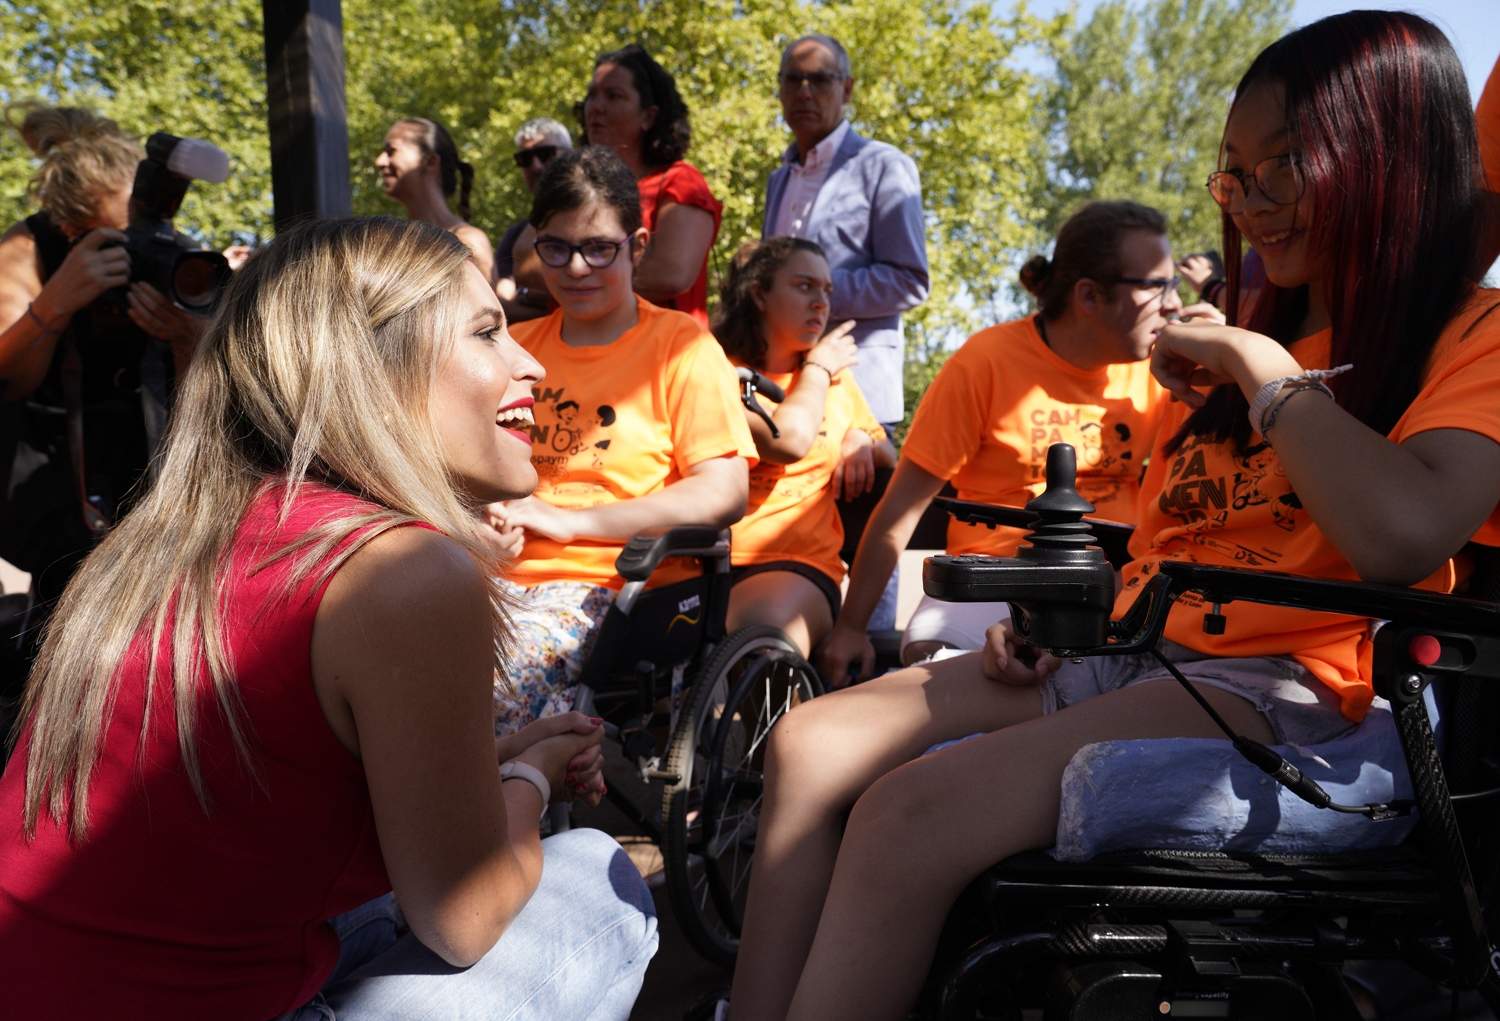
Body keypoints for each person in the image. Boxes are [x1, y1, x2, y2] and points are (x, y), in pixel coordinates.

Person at [727, 12, 1500, 1020]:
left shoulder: (1465, 335)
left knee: (909, 811)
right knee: (806, 744)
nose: (1250, 201)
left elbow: (1403, 537)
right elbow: (1167, 543)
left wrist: (1265, 373)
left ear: (1387, 159)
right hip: (1143, 652)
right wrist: (1062, 630)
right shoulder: (1250, 343)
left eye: (1282, 168)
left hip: (1302, 692)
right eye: (1234, 174)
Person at [0, 216, 658, 1019]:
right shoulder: (403, 569)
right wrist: (527, 777)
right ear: (372, 370)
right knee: (597, 870)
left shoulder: (167, 535)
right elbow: (465, 917)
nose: (530, 361)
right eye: (487, 332)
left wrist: (486, 767)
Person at [818, 201, 1197, 681]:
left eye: (1175, 286)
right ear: (1089, 296)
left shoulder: (1166, 371)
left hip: (1117, 586)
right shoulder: (987, 362)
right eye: (1156, 286)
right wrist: (851, 627)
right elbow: (901, 512)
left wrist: (1222, 369)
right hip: (995, 578)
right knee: (957, 682)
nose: (1174, 304)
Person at [486, 146, 754, 734]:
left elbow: (724, 492)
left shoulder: (679, 347)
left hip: (622, 590)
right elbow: (457, 465)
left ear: (636, 245)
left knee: (480, 681)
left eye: (598, 248)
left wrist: (565, 520)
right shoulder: (511, 345)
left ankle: (503, 807)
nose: (576, 267)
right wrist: (481, 517)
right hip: (488, 578)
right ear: (535, 243)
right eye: (556, 247)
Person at [0, 105, 207, 674]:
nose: (138, 245)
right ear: (71, 230)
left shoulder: (170, 247)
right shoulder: (30, 247)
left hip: (152, 462)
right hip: (57, 476)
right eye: (120, 239)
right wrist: (55, 303)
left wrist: (187, 334)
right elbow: (9, 375)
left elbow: (212, 389)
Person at [712, 237, 895, 657]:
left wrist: (861, 438)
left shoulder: (835, 381)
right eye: (804, 286)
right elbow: (785, 439)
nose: (821, 303)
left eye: (827, 291)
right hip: (702, 559)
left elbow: (890, 456)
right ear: (759, 294)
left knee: (760, 646)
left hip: (799, 563)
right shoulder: (716, 368)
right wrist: (817, 369)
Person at [763, 33, 929, 433]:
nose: (804, 92)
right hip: (784, 394)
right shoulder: (779, 180)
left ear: (847, 89)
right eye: (793, 80)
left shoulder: (884, 167)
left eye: (820, 80)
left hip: (857, 399)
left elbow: (910, 281)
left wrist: (808, 292)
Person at [578, 44, 722, 327]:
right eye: (592, 95)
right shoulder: (577, 182)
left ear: (648, 116)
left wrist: (567, 264)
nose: (597, 107)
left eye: (614, 95)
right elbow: (525, 260)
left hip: (664, 358)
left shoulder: (680, 181)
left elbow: (671, 273)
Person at [374, 116, 496, 283]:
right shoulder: (392, 243)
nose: (379, 161)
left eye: (391, 151)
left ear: (430, 162)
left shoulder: (468, 243)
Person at [496, 117, 572, 324]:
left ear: (570, 157)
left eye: (545, 154)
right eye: (525, 158)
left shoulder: (600, 219)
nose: (536, 166)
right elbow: (501, 304)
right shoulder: (515, 236)